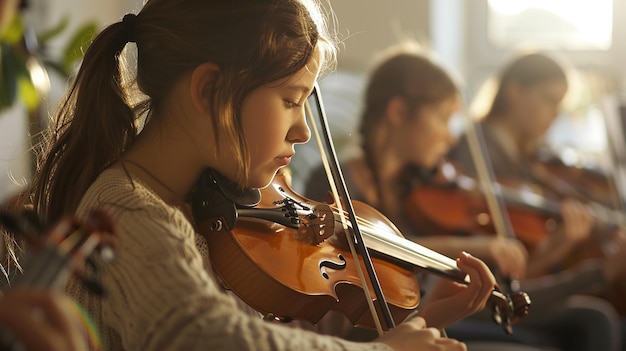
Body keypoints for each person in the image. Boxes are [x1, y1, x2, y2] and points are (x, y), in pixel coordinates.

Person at [16, 1, 500, 350]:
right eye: (291, 100)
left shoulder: (196, 206)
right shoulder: (130, 212)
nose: (304, 131)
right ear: (208, 90)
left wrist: (424, 323)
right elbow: (209, 336)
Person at [303, 44, 626, 350]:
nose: (450, 136)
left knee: (589, 319)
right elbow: (360, 244)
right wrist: (478, 248)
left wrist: (555, 255)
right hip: (373, 331)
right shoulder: (337, 181)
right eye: (443, 119)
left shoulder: (413, 190)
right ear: (399, 112)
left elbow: (489, 288)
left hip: (425, 317)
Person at [447, 51, 626, 351]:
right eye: (549, 100)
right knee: (598, 317)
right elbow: (509, 276)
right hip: (499, 299)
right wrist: (561, 246)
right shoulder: (474, 157)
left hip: (533, 286)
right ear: (515, 91)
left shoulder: (529, 158)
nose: (555, 115)